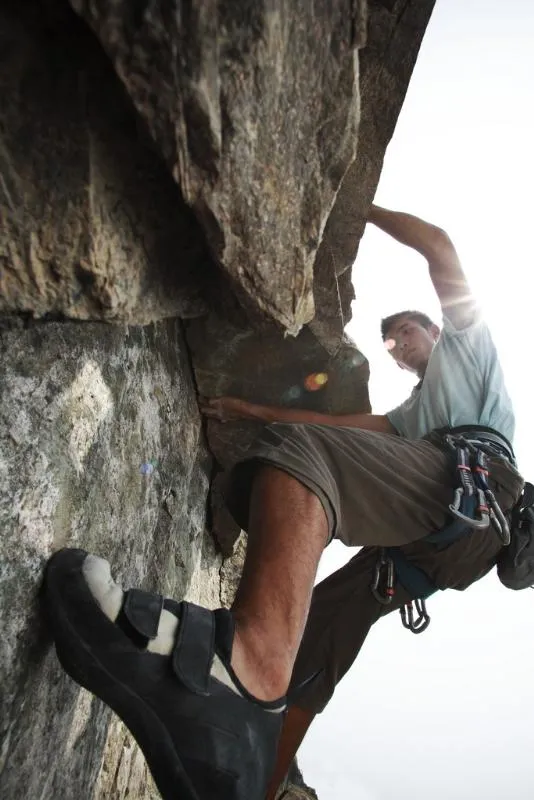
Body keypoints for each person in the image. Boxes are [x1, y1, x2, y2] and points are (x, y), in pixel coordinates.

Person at [44, 205, 523, 800]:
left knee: (304, 457)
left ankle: (244, 669)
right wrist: (250, 411)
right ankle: (255, 779)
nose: (400, 346)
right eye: (392, 344)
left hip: (478, 490)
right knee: (314, 637)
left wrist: (358, 208)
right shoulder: (411, 417)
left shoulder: (468, 343)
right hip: (434, 543)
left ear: (434, 330)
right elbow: (336, 426)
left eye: (407, 332)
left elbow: (439, 246)